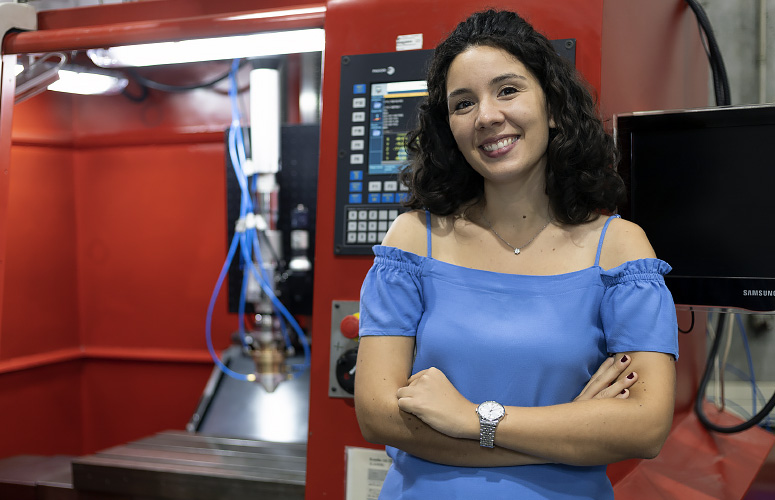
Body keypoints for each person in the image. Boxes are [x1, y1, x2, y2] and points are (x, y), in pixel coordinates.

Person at [353, 8, 679, 500]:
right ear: (449, 127)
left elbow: (645, 427)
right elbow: (378, 415)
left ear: (553, 106)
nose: (486, 116)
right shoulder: (413, 240)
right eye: (463, 103)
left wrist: (474, 418)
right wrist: (570, 435)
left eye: (507, 90)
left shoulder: (619, 249)